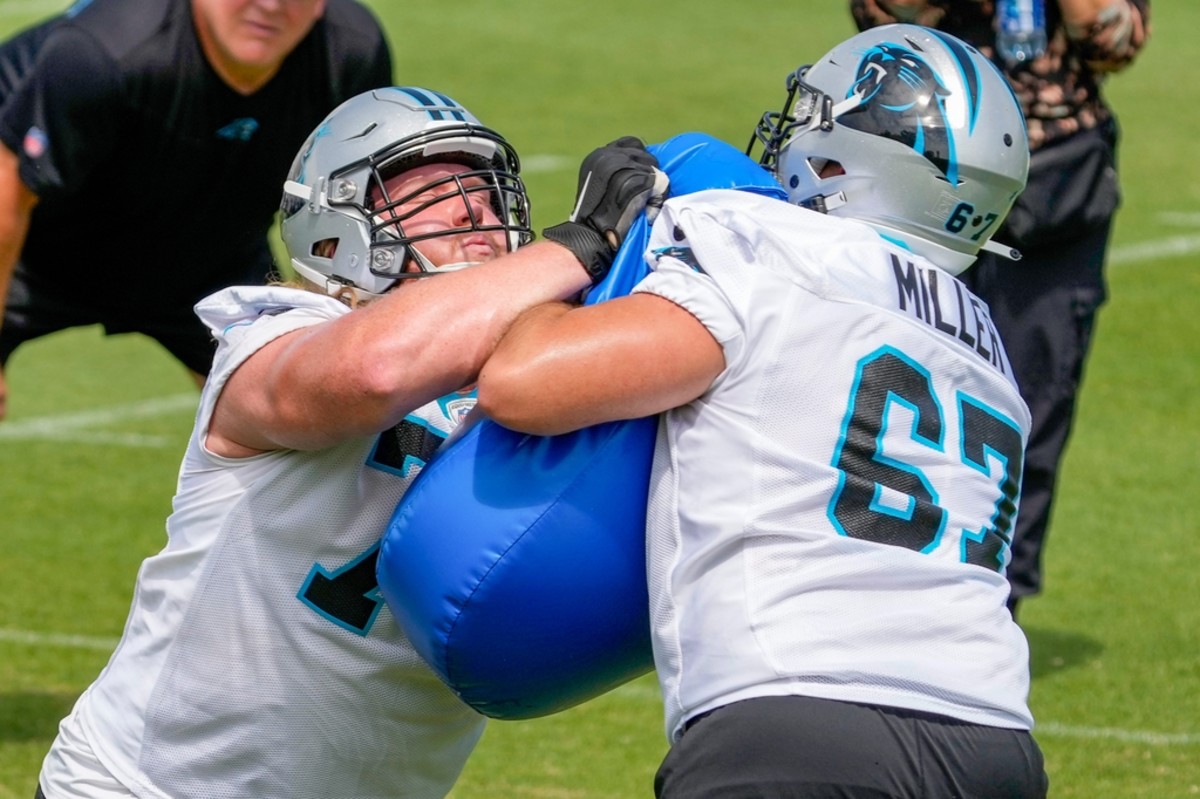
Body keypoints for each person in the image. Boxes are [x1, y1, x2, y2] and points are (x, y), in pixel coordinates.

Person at [34, 87, 663, 799]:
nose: (474, 212)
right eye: (432, 190)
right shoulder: (270, 333)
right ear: (333, 234)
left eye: (488, 195)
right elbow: (371, 370)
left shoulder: (535, 367)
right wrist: (579, 246)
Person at [476, 25, 1049, 798]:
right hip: (995, 741)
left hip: (799, 718)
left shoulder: (770, 244)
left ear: (860, 155)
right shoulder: (989, 351)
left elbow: (523, 382)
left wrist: (589, 241)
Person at [850, 0, 1151, 617]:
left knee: (1033, 408)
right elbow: (883, 27)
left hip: (1061, 181)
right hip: (926, 170)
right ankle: (877, 596)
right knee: (894, 384)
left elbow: (1118, 40)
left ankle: (992, 613)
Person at [0, 0, 394, 421]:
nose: (270, 5)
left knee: (306, 417)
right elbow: (10, 184)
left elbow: (353, 203)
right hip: (38, 250)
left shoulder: (351, 51)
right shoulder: (104, 50)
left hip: (210, 250)